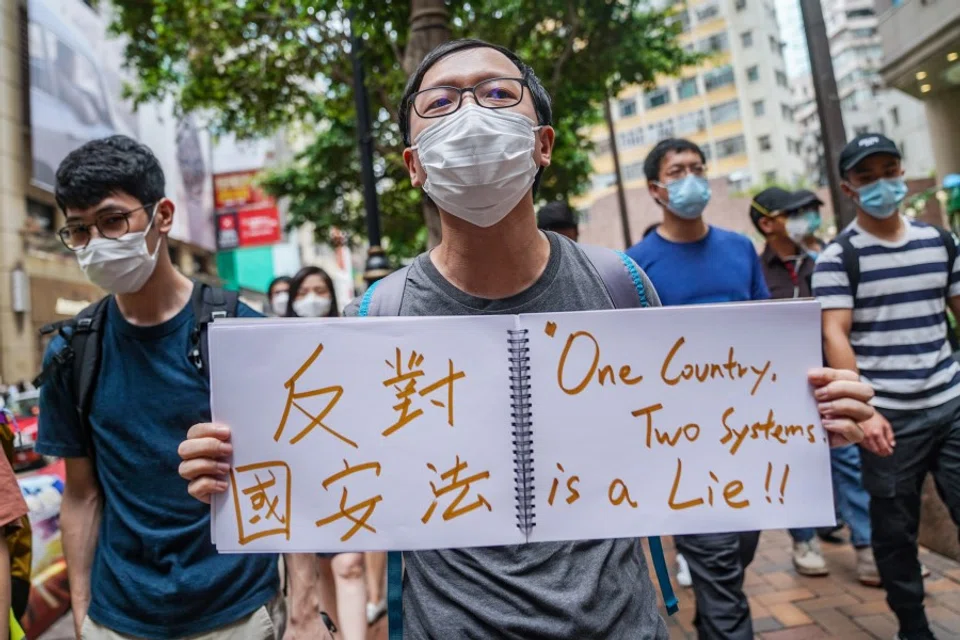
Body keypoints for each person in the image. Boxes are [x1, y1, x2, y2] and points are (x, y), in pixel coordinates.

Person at [179, 40, 872, 639]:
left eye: (496, 93)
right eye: (441, 101)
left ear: (542, 143)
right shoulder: (377, 315)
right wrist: (240, 466)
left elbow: (694, 439)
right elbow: (332, 490)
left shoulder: (619, 286)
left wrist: (805, 419)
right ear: (414, 163)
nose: (470, 113)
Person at [35, 136, 331, 640]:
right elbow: (81, 496)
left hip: (237, 612)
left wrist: (304, 609)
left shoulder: (240, 327)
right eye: (79, 230)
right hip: (118, 617)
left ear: (163, 215)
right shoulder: (70, 351)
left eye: (112, 220)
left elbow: (291, 474)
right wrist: (83, 615)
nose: (97, 242)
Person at [813, 133, 960, 640]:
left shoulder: (941, 241)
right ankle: (913, 628)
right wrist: (864, 411)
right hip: (888, 420)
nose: (881, 183)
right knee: (895, 535)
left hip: (950, 403)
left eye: (889, 170)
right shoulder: (838, 257)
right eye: (866, 176)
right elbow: (835, 332)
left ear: (902, 172)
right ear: (849, 188)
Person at [623, 138, 770, 638]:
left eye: (697, 168)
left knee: (737, 555)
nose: (691, 178)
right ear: (655, 189)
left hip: (748, 433)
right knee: (718, 566)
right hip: (681, 442)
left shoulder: (739, 249)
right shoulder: (634, 267)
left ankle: (713, 616)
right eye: (678, 170)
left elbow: (767, 334)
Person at [751, 186, 879, 585]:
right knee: (794, 466)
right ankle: (803, 540)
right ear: (767, 223)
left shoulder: (826, 262)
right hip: (778, 392)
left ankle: (866, 545)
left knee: (849, 463)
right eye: (795, 212)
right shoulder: (756, 270)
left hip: (828, 383)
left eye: (808, 210)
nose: (806, 218)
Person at [284, 266, 366, 639]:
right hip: (304, 475)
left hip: (351, 468)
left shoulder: (348, 340)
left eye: (319, 290)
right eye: (303, 292)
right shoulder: (276, 346)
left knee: (349, 565)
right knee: (320, 571)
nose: (312, 298)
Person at [791, 189, 827, 257]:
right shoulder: (791, 251)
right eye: (806, 210)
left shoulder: (824, 246)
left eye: (815, 208)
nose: (813, 214)